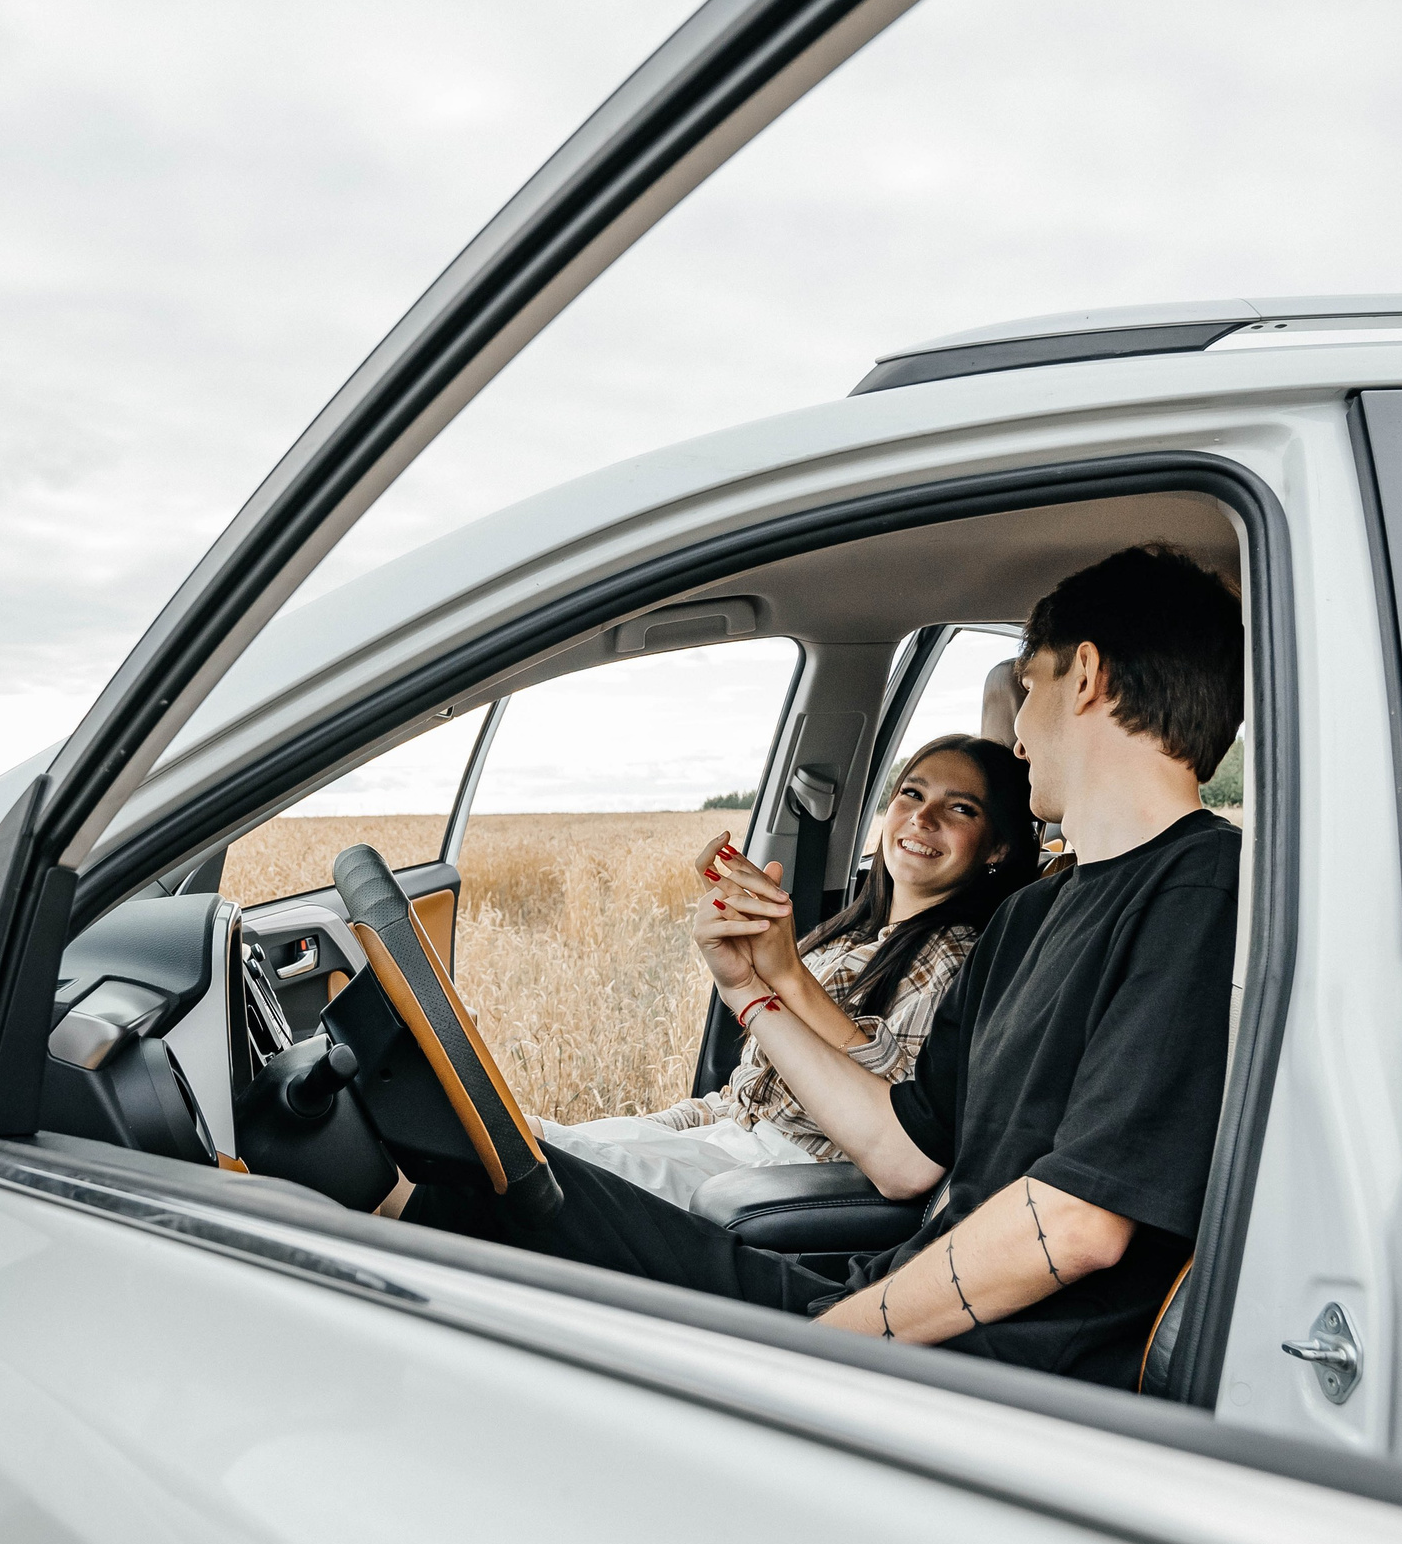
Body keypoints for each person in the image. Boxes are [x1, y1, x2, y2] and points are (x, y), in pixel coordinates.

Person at [401, 543, 1246, 1390]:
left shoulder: (1201, 888)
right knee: (514, 1190)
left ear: (1087, 675)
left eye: (1028, 689)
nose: (1019, 734)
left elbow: (1075, 1224)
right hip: (887, 1315)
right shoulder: (1031, 914)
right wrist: (751, 994)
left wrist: (829, 1343)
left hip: (992, 1377)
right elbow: (905, 1153)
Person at [536, 736, 1037, 1209]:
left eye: (960, 808)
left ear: (998, 847)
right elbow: (745, 1099)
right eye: (911, 793)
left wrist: (787, 978)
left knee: (532, 1168)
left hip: (786, 1179)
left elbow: (905, 1118)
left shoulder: (957, 960)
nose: (923, 818)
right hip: (730, 1142)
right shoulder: (845, 935)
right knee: (535, 1139)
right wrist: (653, 1127)